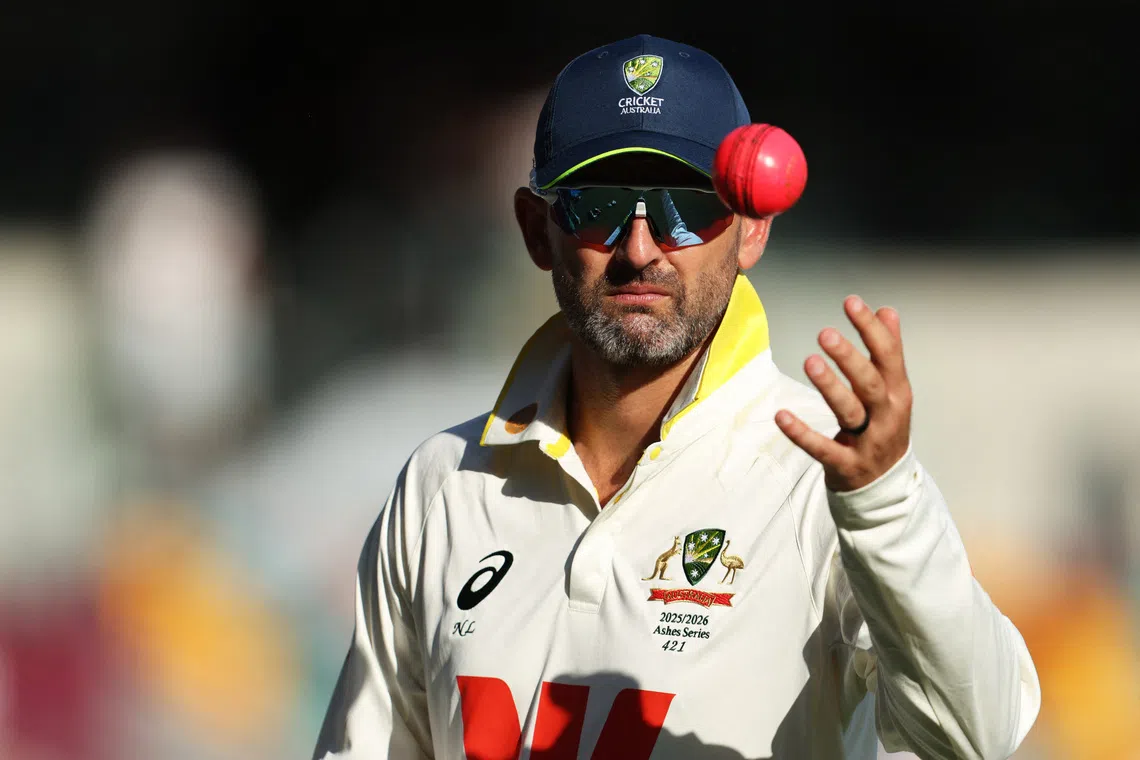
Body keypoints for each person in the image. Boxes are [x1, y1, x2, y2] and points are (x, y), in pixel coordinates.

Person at [312, 33, 1041, 760]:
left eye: (684, 206)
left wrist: (883, 505)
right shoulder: (442, 489)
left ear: (752, 229)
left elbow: (978, 735)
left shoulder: (826, 481)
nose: (639, 248)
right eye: (597, 204)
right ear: (538, 230)